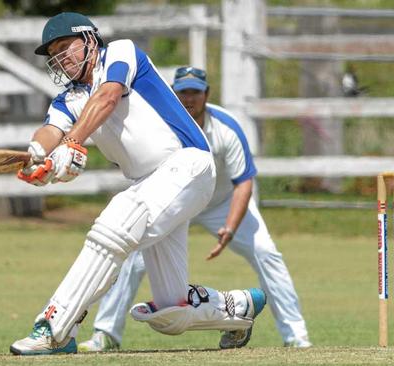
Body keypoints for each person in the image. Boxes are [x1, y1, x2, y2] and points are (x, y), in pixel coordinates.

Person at [9, 12, 266, 356]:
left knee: (116, 223)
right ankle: (237, 307)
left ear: (88, 39)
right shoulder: (69, 99)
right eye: (53, 53)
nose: (60, 57)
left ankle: (55, 327)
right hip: (152, 185)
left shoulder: (121, 52)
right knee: (170, 313)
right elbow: (51, 130)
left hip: (188, 164)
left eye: (64, 46)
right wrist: (38, 153)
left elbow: (108, 97)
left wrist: (72, 144)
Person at [78, 66, 311, 352]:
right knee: (132, 252)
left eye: (195, 92)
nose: (189, 98)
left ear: (206, 94)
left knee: (266, 252)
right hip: (175, 199)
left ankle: (296, 336)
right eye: (183, 92)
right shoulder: (157, 122)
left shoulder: (226, 126)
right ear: (173, 94)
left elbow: (244, 182)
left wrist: (230, 228)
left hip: (222, 203)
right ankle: (106, 333)